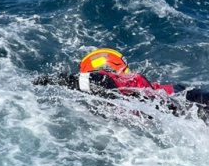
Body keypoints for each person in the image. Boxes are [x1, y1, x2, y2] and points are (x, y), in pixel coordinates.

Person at [34, 48, 209, 117]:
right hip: (185, 98)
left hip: (187, 100)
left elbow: (91, 81)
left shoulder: (113, 78)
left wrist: (48, 81)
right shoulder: (127, 86)